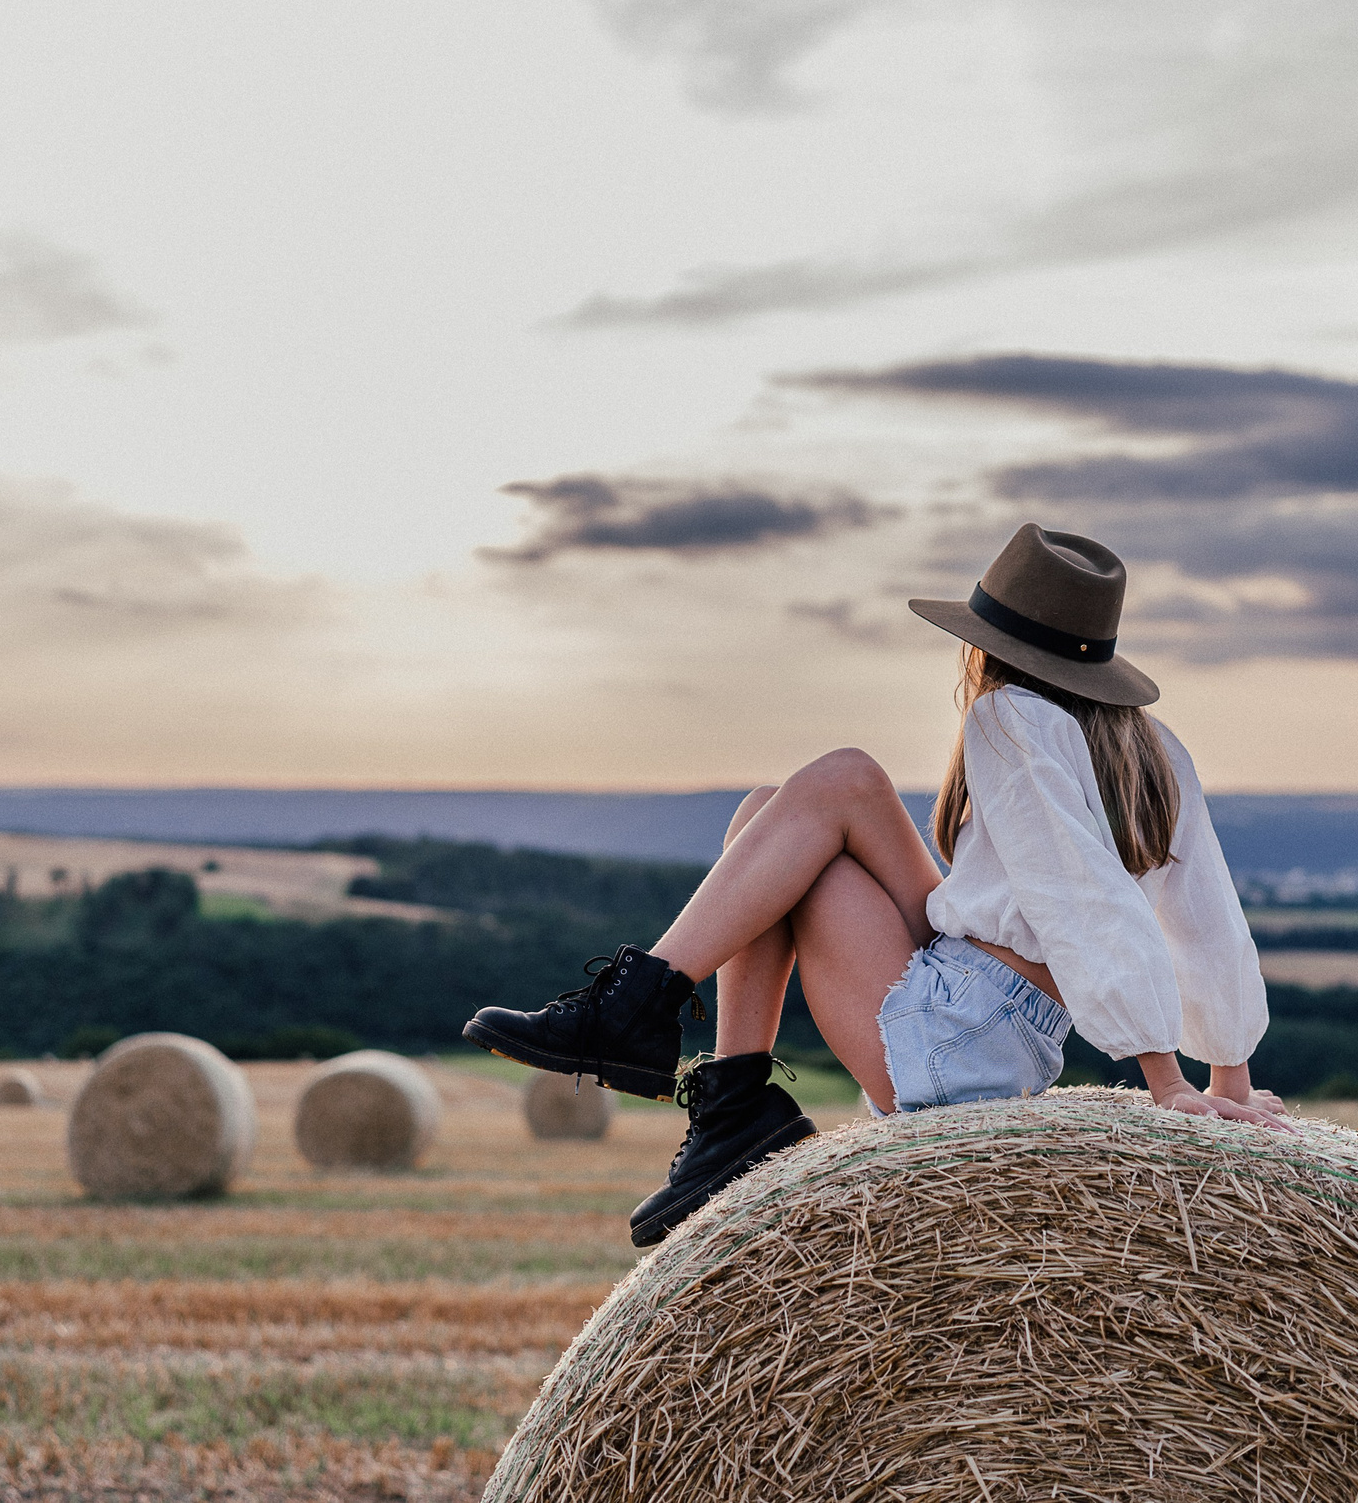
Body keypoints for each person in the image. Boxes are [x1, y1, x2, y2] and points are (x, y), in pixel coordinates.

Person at [463, 523, 1289, 1248]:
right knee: (786, 805)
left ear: (990, 649)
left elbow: (1080, 899)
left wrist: (1167, 1082)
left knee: (805, 819)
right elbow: (1206, 914)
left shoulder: (1010, 717)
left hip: (960, 1034)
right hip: (1005, 1025)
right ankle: (728, 1101)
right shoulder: (1155, 748)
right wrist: (1229, 1078)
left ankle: (639, 1021)